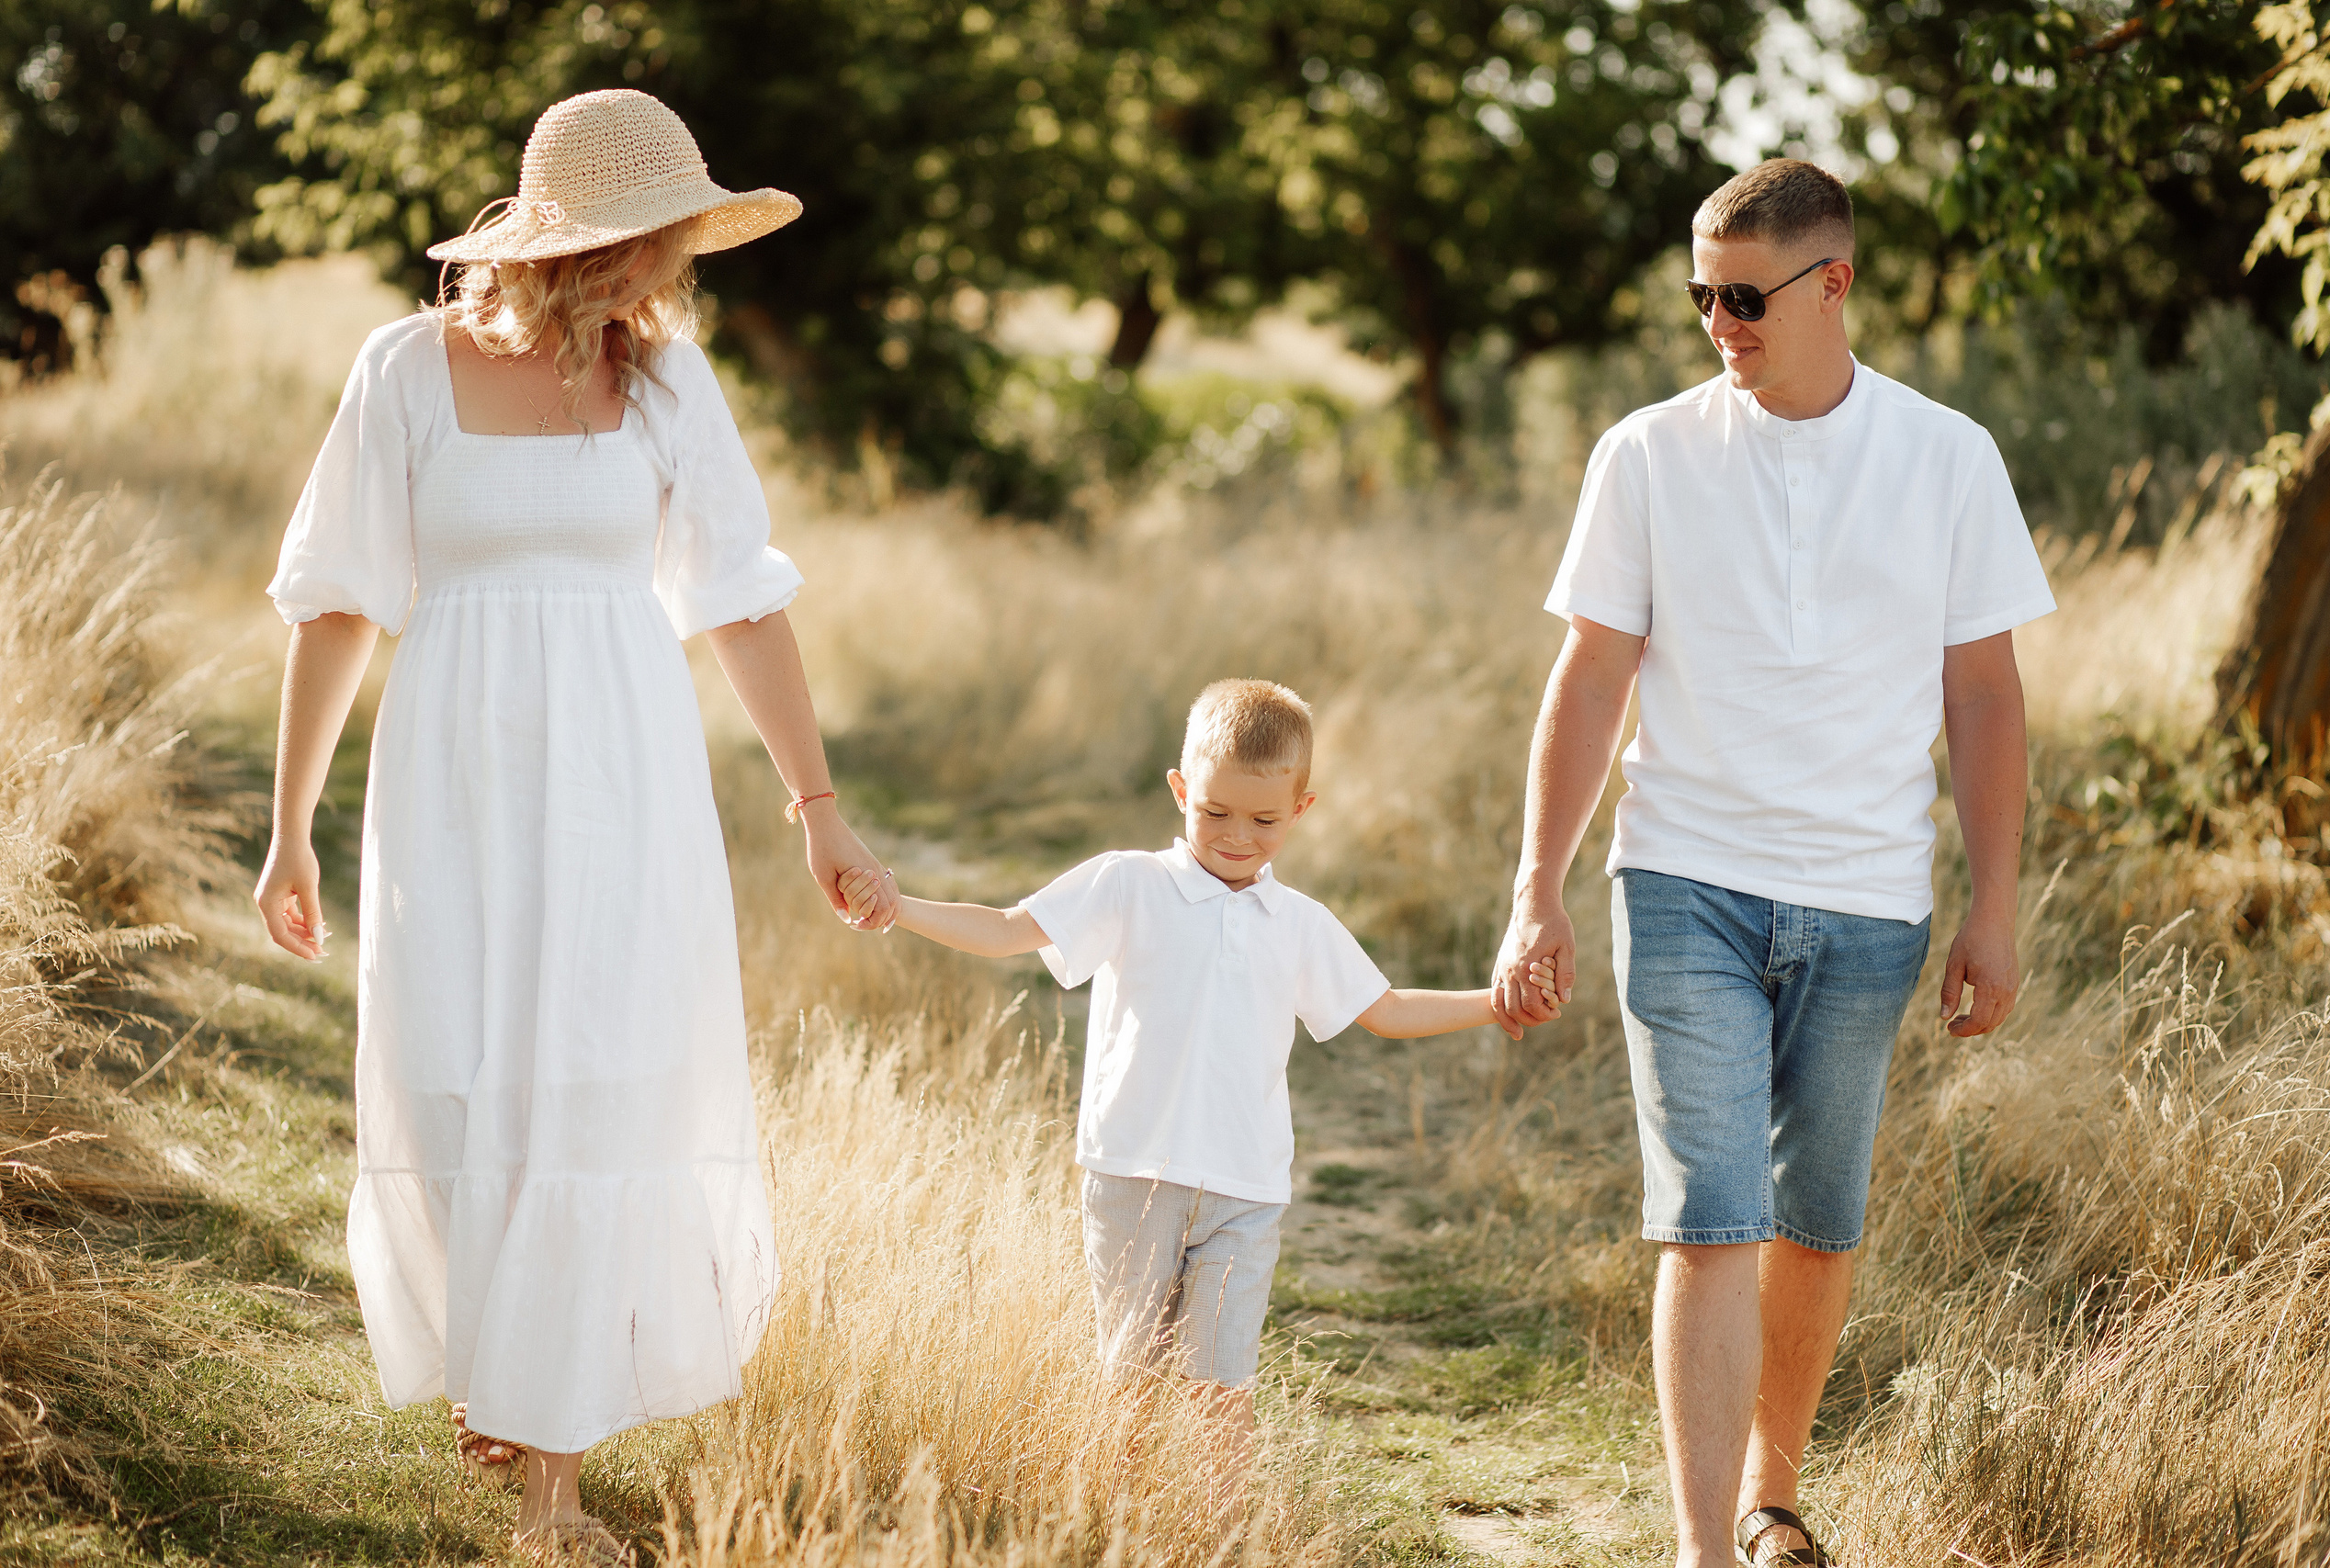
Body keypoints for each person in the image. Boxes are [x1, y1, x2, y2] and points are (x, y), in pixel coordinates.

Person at [253, 89, 899, 1564]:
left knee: (599, 1080)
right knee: (469, 1069)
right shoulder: (405, 368)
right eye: (640, 244)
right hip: (456, 778)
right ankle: (508, 1385)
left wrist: (820, 806)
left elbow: (741, 594)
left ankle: (549, 1477)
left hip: (625, 776)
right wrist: (290, 825)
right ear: (562, 239)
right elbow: (341, 595)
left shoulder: (672, 388)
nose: (661, 275)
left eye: (670, 247)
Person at [1489, 160, 2053, 1568]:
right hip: (1684, 874)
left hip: (1871, 900)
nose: (1718, 324)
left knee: (1817, 1218)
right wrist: (1533, 884)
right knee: (1712, 1214)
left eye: (1744, 297)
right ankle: (1699, 1546)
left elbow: (1984, 695)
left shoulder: (1947, 457)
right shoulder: (1646, 454)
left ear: (1834, 284)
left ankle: (1771, 1495)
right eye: (1700, 295)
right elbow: (1591, 674)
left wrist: (1996, 901)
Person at [838, 679, 1555, 1481]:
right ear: (1181, 789)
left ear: (1301, 808)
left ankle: (1223, 1540)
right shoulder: (1128, 884)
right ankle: (1119, 1526)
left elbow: (1384, 1009)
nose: (1237, 836)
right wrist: (898, 907)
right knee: (1131, 1386)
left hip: (1245, 1193)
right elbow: (1008, 929)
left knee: (1222, 1391)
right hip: (1134, 1176)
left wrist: (1495, 1005)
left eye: (1264, 819)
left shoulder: (1301, 924)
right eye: (1214, 812)